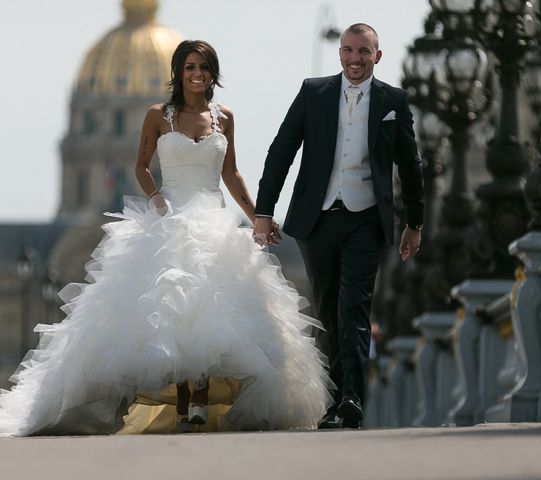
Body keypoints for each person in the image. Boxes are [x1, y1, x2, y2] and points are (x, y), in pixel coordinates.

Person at [0, 40, 332, 436]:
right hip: (170, 216)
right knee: (173, 313)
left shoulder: (223, 117)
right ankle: (183, 396)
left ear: (213, 74)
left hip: (213, 217)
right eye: (191, 67)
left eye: (204, 67)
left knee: (211, 309)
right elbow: (140, 166)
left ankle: (199, 397)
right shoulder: (159, 115)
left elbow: (232, 173)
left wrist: (258, 216)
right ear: (178, 72)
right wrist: (156, 199)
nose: (198, 74)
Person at [253, 24, 424, 429]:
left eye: (364, 51)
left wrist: (413, 223)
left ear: (377, 56)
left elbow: (411, 165)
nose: (354, 58)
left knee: (354, 309)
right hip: (317, 219)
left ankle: (352, 400)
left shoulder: (393, 101)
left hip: (366, 219)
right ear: (340, 54)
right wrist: (263, 210)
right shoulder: (314, 93)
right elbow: (281, 150)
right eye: (348, 50)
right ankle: (332, 402)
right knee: (328, 311)